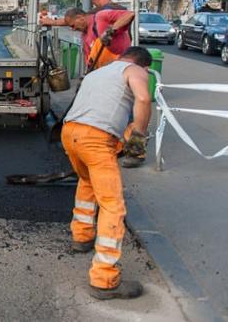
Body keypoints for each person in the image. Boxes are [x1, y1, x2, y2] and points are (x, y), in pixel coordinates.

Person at [61, 46, 152, 300]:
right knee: (113, 205)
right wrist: (138, 138)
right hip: (96, 139)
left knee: (87, 182)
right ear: (143, 65)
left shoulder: (97, 72)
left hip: (70, 132)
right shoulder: (135, 69)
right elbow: (144, 99)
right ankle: (104, 279)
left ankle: (81, 236)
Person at [46, 7, 134, 70]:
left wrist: (111, 30)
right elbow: (90, 62)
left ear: (80, 17)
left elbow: (129, 14)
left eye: (73, 25)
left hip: (122, 67)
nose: (73, 29)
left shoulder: (101, 16)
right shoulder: (84, 37)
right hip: (104, 72)